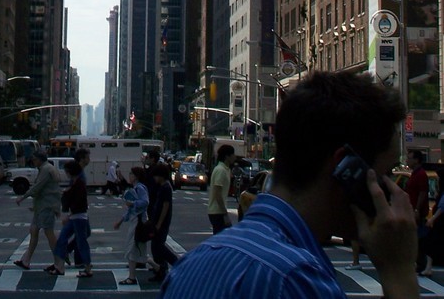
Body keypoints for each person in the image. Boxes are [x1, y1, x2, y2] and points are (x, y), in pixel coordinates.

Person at [159, 70, 419, 299]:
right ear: (345, 169)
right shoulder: (299, 281)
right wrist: (400, 274)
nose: (394, 192)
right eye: (386, 174)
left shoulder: (188, 267)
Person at [13, 148, 61, 270]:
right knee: (33, 231)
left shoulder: (46, 169)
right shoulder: (45, 168)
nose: (33, 162)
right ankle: (26, 260)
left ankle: (58, 262)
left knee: (49, 233)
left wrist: (22, 197)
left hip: (47, 206)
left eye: (34, 159)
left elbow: (37, 187)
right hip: (42, 206)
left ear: (40, 159)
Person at [48, 159, 93, 277]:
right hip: (75, 217)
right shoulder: (74, 183)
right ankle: (60, 267)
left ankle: (87, 268)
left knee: (81, 242)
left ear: (70, 172)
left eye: (66, 171)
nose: (65, 173)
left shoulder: (79, 184)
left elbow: (78, 203)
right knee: (62, 239)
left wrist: (68, 213)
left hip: (79, 217)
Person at [112, 165, 150, 285]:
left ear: (136, 176)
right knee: (139, 250)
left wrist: (133, 203)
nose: (130, 176)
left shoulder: (139, 188)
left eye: (131, 174)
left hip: (138, 222)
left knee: (131, 249)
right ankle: (158, 267)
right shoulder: (136, 188)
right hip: (136, 221)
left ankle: (132, 277)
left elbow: (145, 202)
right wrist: (121, 220)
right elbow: (130, 210)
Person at [147, 162, 179, 283]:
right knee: (156, 247)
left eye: (156, 176)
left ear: (161, 175)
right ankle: (161, 270)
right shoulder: (162, 186)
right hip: (157, 220)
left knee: (158, 246)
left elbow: (165, 206)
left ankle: (175, 263)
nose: (155, 178)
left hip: (162, 222)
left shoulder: (166, 187)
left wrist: (159, 224)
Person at [207, 144, 237, 233]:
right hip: (217, 211)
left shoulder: (226, 169)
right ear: (227, 156)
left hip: (218, 211)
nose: (235, 157)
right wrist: (225, 213)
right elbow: (217, 193)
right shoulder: (221, 170)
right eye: (233, 154)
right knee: (222, 235)